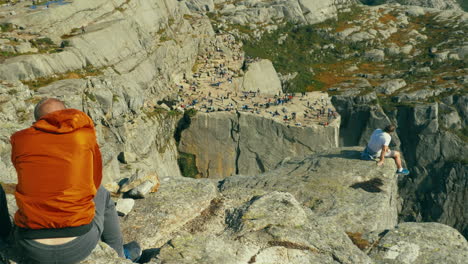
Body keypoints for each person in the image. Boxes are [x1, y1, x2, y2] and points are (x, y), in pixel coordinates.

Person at [6, 98, 141, 263]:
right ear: (67, 115)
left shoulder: (20, 140)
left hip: (30, 246)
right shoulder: (84, 136)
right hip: (79, 245)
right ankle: (120, 256)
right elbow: (95, 179)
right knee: (102, 193)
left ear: (36, 122)